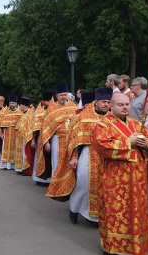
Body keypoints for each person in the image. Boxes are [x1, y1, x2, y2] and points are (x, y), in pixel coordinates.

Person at [92, 92, 148, 255]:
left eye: (127, 104)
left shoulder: (137, 123)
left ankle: (136, 247)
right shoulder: (103, 124)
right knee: (117, 214)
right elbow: (102, 145)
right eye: (121, 105)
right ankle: (117, 249)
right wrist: (129, 142)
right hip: (115, 180)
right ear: (111, 106)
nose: (125, 107)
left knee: (136, 213)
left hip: (138, 180)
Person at [46, 87, 112, 226]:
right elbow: (75, 139)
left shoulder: (112, 118)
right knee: (83, 184)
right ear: (97, 101)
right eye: (104, 102)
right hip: (87, 154)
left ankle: (94, 217)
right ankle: (74, 209)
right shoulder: (84, 116)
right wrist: (73, 157)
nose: (106, 105)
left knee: (102, 187)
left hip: (106, 157)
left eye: (108, 102)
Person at [36, 84, 78, 183]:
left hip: (71, 140)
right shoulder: (52, 108)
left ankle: (69, 182)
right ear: (57, 96)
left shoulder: (74, 107)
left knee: (70, 162)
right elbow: (46, 126)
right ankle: (57, 182)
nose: (63, 97)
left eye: (65, 94)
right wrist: (46, 142)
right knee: (57, 162)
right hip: (57, 139)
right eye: (61, 95)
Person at [31, 92, 53, 185]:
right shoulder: (39, 112)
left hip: (51, 137)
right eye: (47, 101)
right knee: (40, 158)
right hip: (41, 138)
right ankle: (40, 179)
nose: (49, 103)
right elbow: (34, 127)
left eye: (51, 101)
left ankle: (49, 179)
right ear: (43, 102)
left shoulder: (54, 111)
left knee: (50, 159)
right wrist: (33, 140)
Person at [0, 96, 22, 170]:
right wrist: (2, 133)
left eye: (13, 103)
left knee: (14, 149)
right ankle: (6, 165)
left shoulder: (20, 112)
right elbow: (2, 123)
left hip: (15, 134)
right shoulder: (6, 112)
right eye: (10, 103)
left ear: (16, 103)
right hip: (7, 133)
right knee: (5, 149)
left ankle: (13, 165)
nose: (11, 104)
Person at [14, 97, 36, 176]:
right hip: (21, 137)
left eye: (20, 105)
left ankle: (26, 169)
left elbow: (31, 127)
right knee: (22, 153)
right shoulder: (24, 114)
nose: (19, 107)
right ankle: (21, 168)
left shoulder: (30, 114)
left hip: (26, 137)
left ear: (23, 105)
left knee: (26, 153)